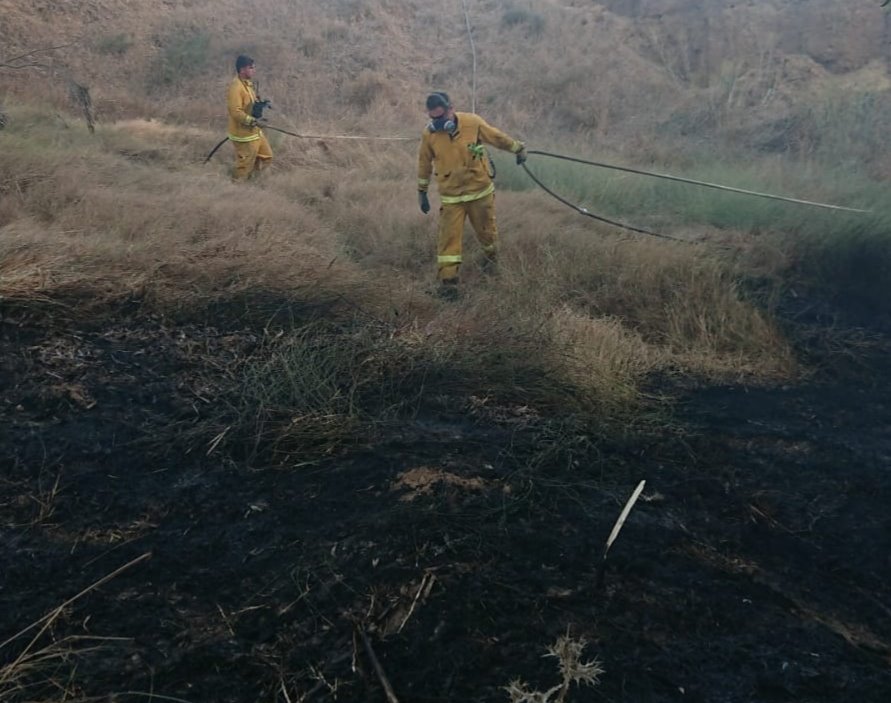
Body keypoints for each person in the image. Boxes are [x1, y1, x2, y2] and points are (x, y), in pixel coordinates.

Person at [417, 91, 526, 298]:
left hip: (480, 193)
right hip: (452, 198)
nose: (437, 123)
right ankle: (448, 285)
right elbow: (423, 163)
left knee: (487, 234)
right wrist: (421, 192)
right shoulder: (429, 135)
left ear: (451, 109)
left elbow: (497, 138)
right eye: (433, 119)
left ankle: (491, 263)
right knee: (448, 242)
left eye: (441, 118)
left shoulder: (472, 123)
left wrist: (518, 149)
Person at [227, 55, 273, 180]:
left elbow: (250, 104)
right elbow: (236, 112)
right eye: (251, 68)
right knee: (245, 166)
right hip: (243, 135)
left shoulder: (248, 84)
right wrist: (253, 120)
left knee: (266, 157)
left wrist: (261, 103)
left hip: (255, 131)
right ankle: (237, 188)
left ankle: (254, 181)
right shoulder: (236, 88)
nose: (254, 70)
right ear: (242, 70)